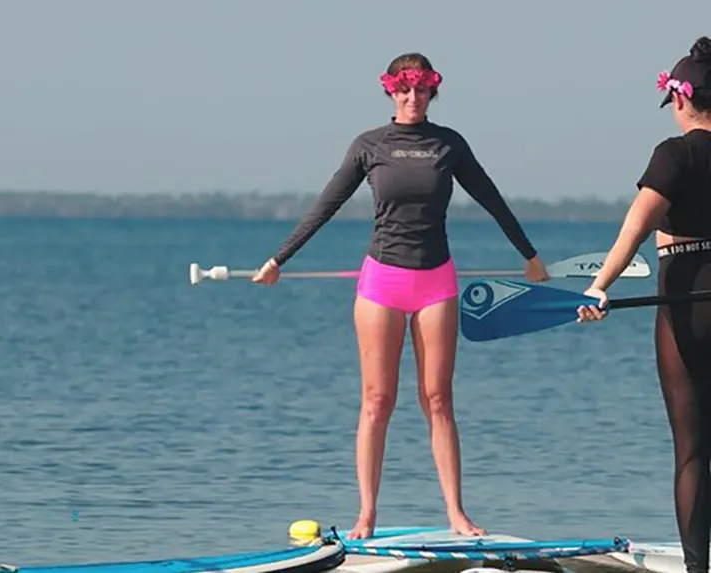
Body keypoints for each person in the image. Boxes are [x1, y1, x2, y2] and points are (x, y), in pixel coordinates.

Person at [250, 52, 549, 539]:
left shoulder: (449, 145)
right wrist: (279, 259)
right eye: (404, 90)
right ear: (391, 91)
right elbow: (326, 205)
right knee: (376, 400)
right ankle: (366, 514)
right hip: (382, 284)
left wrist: (530, 255)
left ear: (433, 92)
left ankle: (456, 513)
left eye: (421, 90)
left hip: (436, 282)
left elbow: (492, 199)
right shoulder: (369, 145)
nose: (412, 99)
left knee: (438, 399)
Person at [576, 37, 711, 573]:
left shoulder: (673, 153)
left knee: (693, 451)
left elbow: (636, 224)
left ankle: (699, 568)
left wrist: (600, 286)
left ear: (680, 100)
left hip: (684, 302)